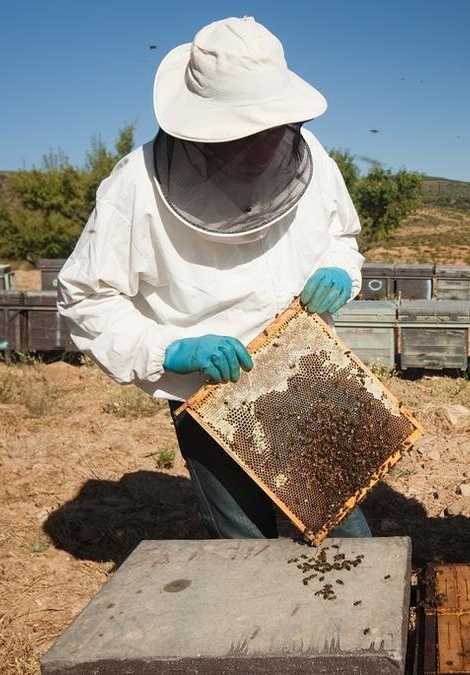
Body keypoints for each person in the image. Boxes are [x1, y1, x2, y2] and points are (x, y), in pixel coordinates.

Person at [58, 17, 370, 539]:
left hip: (308, 372)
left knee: (343, 534)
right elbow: (85, 298)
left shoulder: (314, 160)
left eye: (270, 133)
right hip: (211, 394)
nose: (259, 151)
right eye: (241, 137)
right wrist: (169, 349)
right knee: (242, 547)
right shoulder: (133, 188)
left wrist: (340, 269)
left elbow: (341, 237)